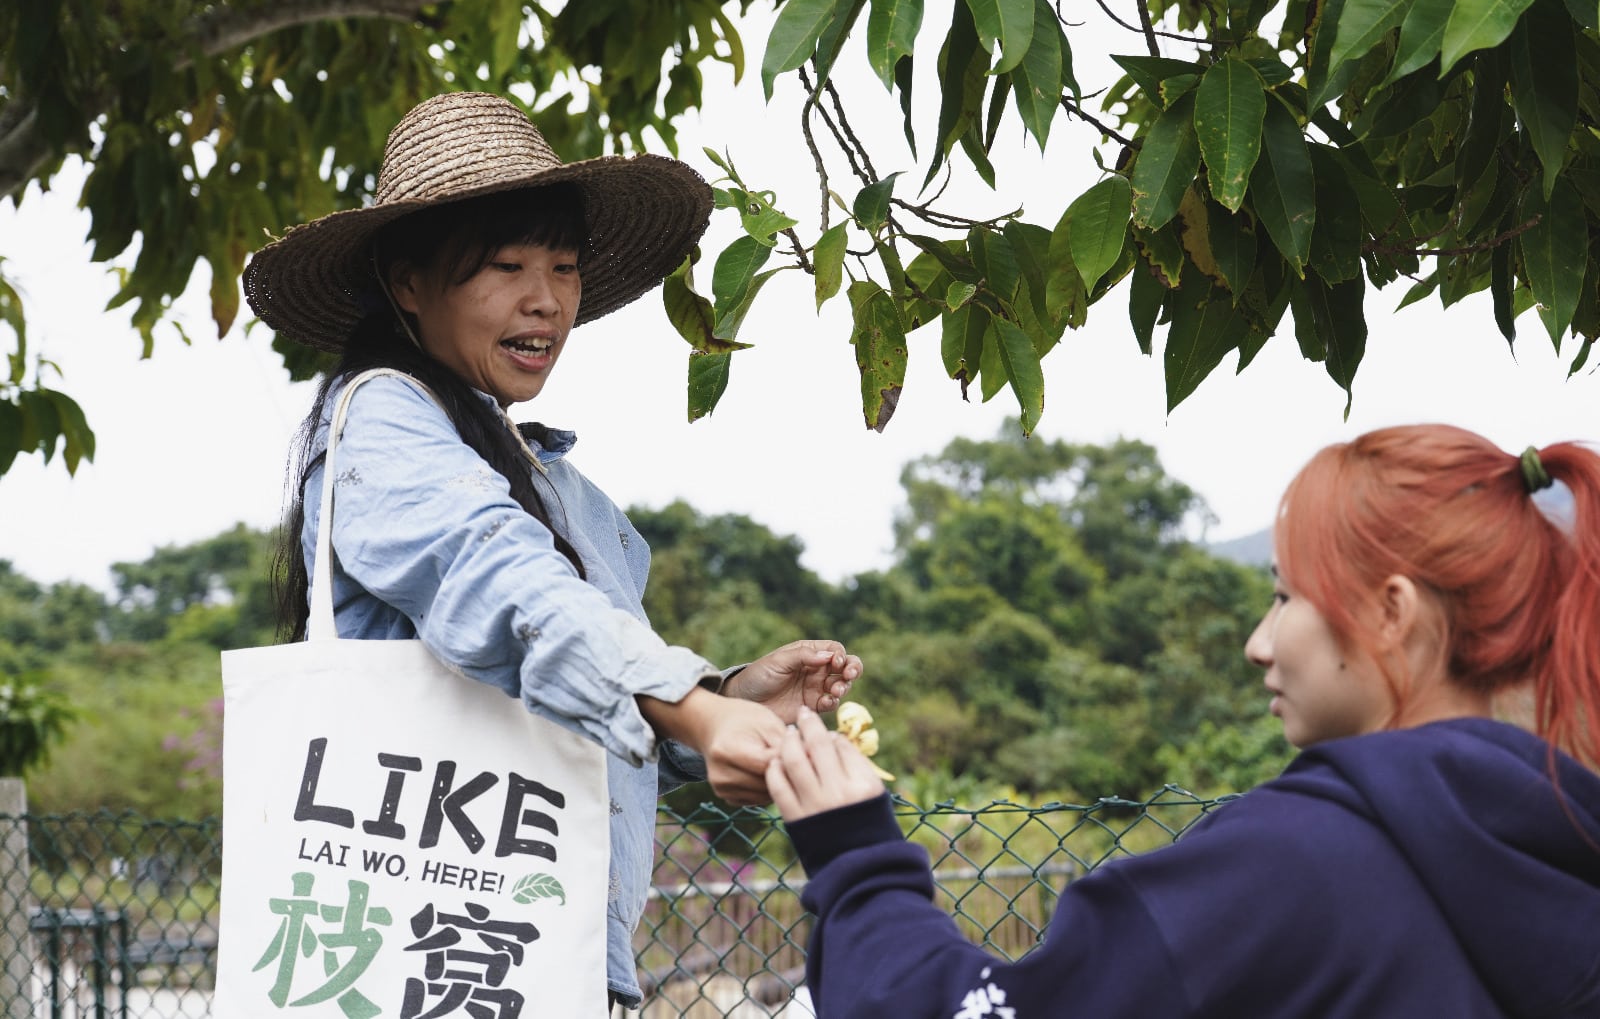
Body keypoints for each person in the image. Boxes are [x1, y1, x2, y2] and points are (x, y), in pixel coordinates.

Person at [242, 90, 862, 1011]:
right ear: (408, 283)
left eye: (564, 267)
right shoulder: (383, 416)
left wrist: (728, 700)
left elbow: (580, 673)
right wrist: (693, 708)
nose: (546, 300)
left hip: (542, 965)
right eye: (505, 264)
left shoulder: (563, 489)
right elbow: (501, 581)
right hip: (424, 957)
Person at [768, 424, 1600, 1018]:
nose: (1258, 643)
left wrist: (859, 859)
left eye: (1284, 597)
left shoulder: (1288, 863)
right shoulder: (1558, 847)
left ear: (1392, 613)